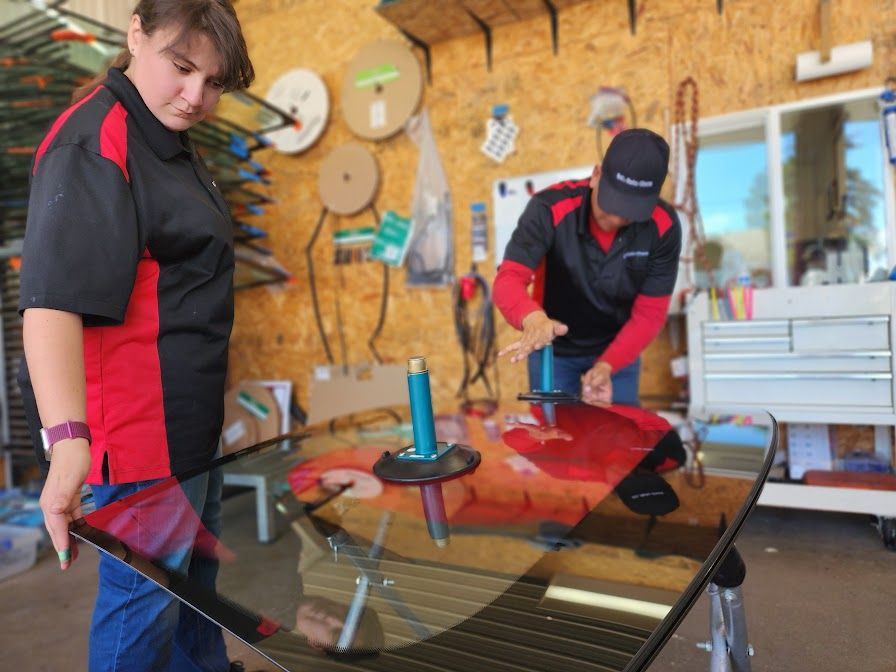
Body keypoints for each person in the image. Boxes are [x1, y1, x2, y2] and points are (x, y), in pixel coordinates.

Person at [18, 1, 254, 669]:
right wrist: (67, 445)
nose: (196, 96)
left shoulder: (169, 141)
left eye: (213, 82)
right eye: (181, 67)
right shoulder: (95, 141)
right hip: (144, 437)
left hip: (190, 429)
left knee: (196, 597)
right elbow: (50, 305)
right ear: (135, 33)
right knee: (143, 612)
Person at [494, 129, 681, 406]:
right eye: (612, 203)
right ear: (596, 175)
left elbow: (650, 313)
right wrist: (532, 319)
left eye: (631, 211)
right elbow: (509, 278)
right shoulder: (549, 208)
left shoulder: (664, 227)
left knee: (621, 430)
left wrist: (607, 365)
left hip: (619, 349)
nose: (616, 219)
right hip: (553, 350)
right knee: (552, 431)